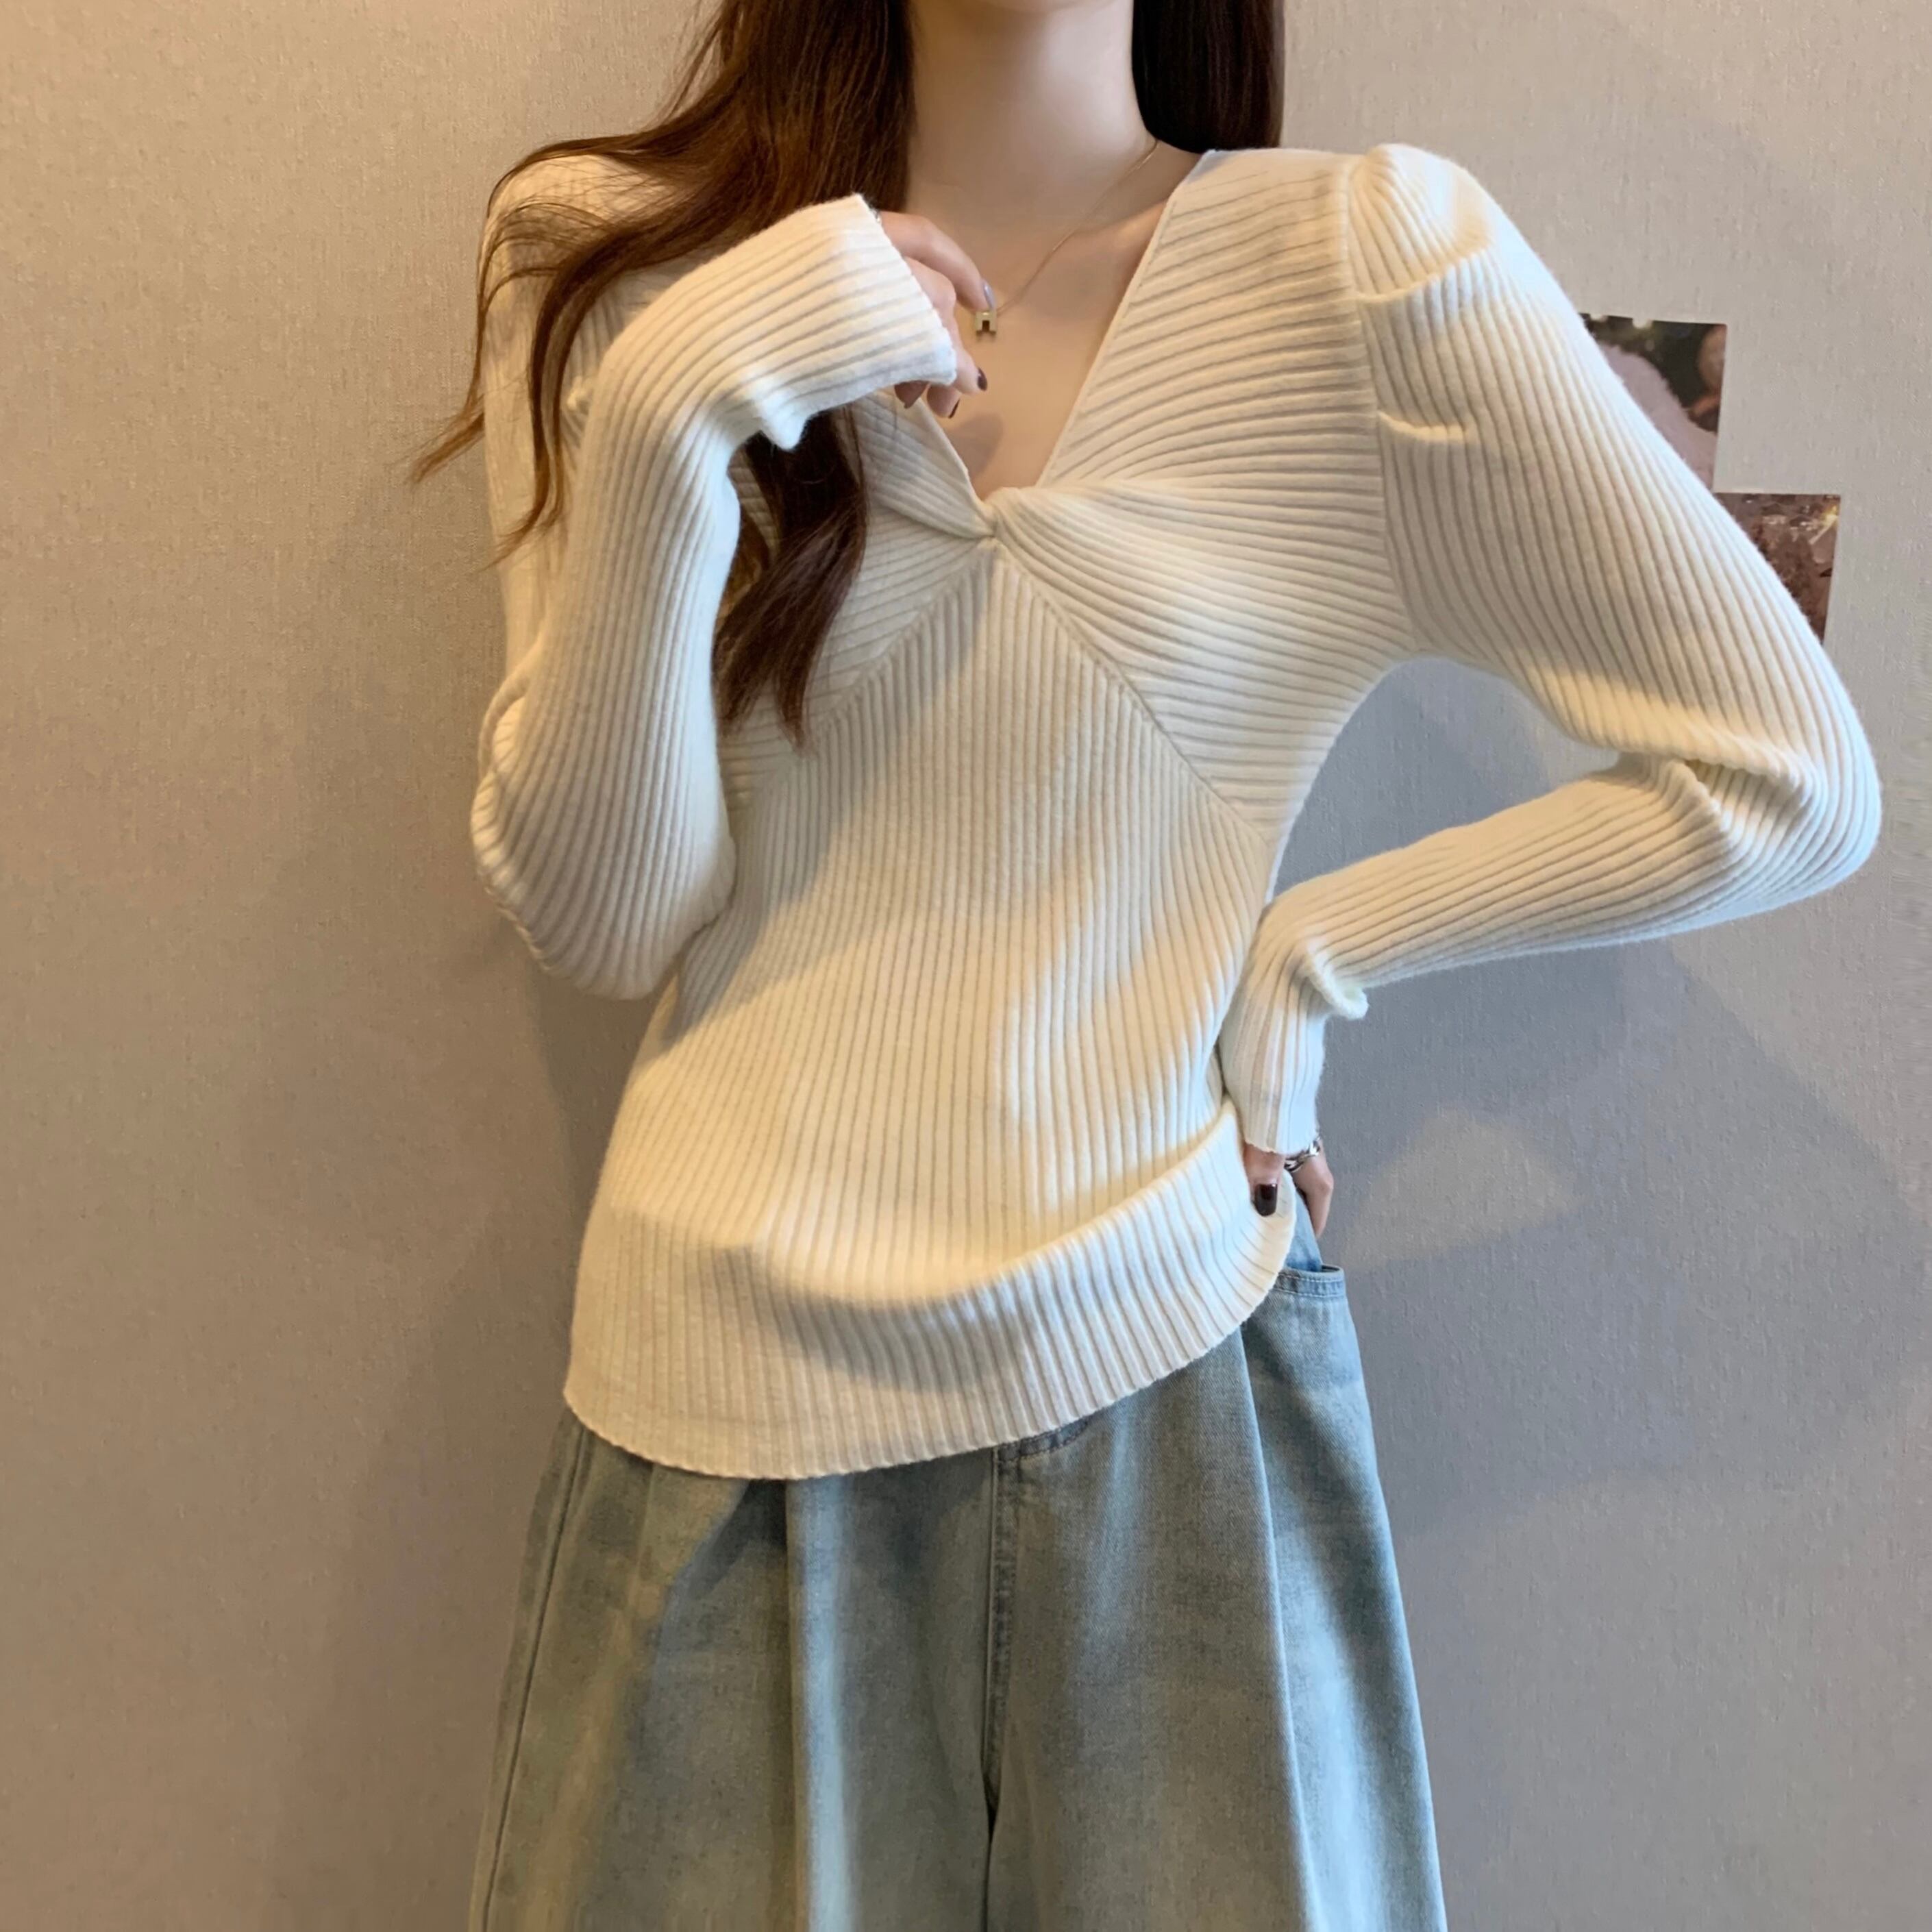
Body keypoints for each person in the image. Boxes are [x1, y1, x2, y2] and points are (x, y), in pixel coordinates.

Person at [413, 1, 1883, 1924]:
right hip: (710, 1425)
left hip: (1173, 1386)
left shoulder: (1364, 269)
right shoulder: (605, 260)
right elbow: (610, 920)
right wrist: (670, 415)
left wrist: (1317, 953)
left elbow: (1784, 776)